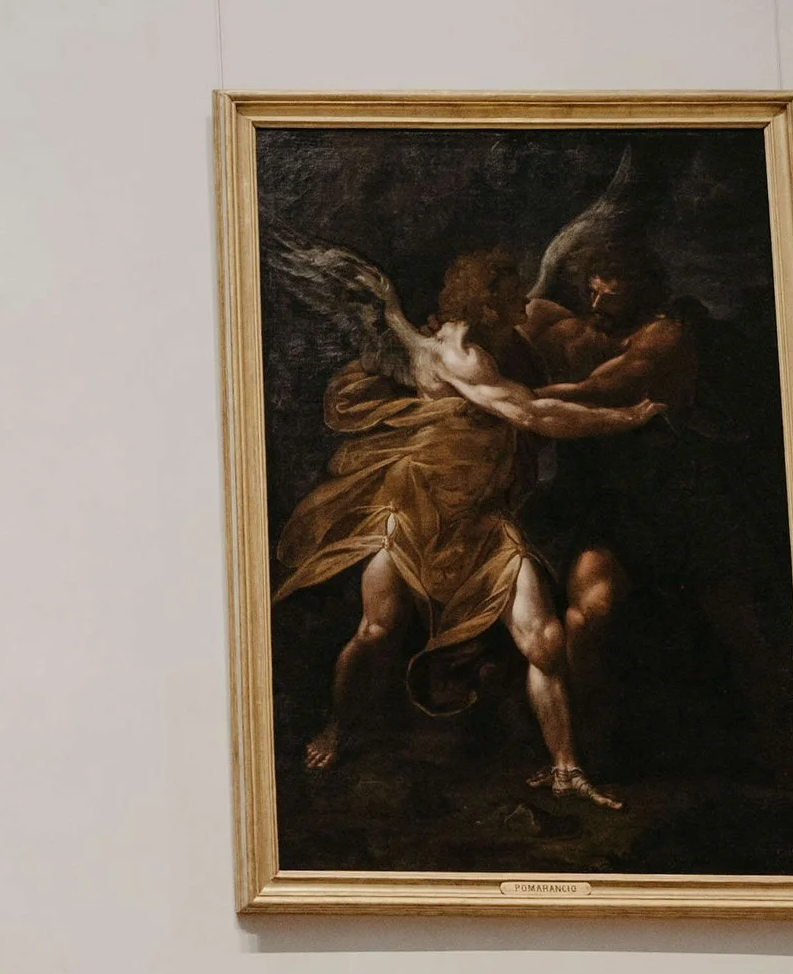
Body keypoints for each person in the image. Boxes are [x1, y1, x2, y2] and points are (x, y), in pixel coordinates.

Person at [275, 247, 662, 804]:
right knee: (376, 631)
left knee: (544, 640)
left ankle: (565, 768)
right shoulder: (458, 352)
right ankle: (339, 726)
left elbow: (539, 394)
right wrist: (621, 418)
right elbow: (531, 414)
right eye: (513, 294)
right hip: (419, 511)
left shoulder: (508, 347)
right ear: (487, 301)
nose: (526, 301)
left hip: (483, 517)